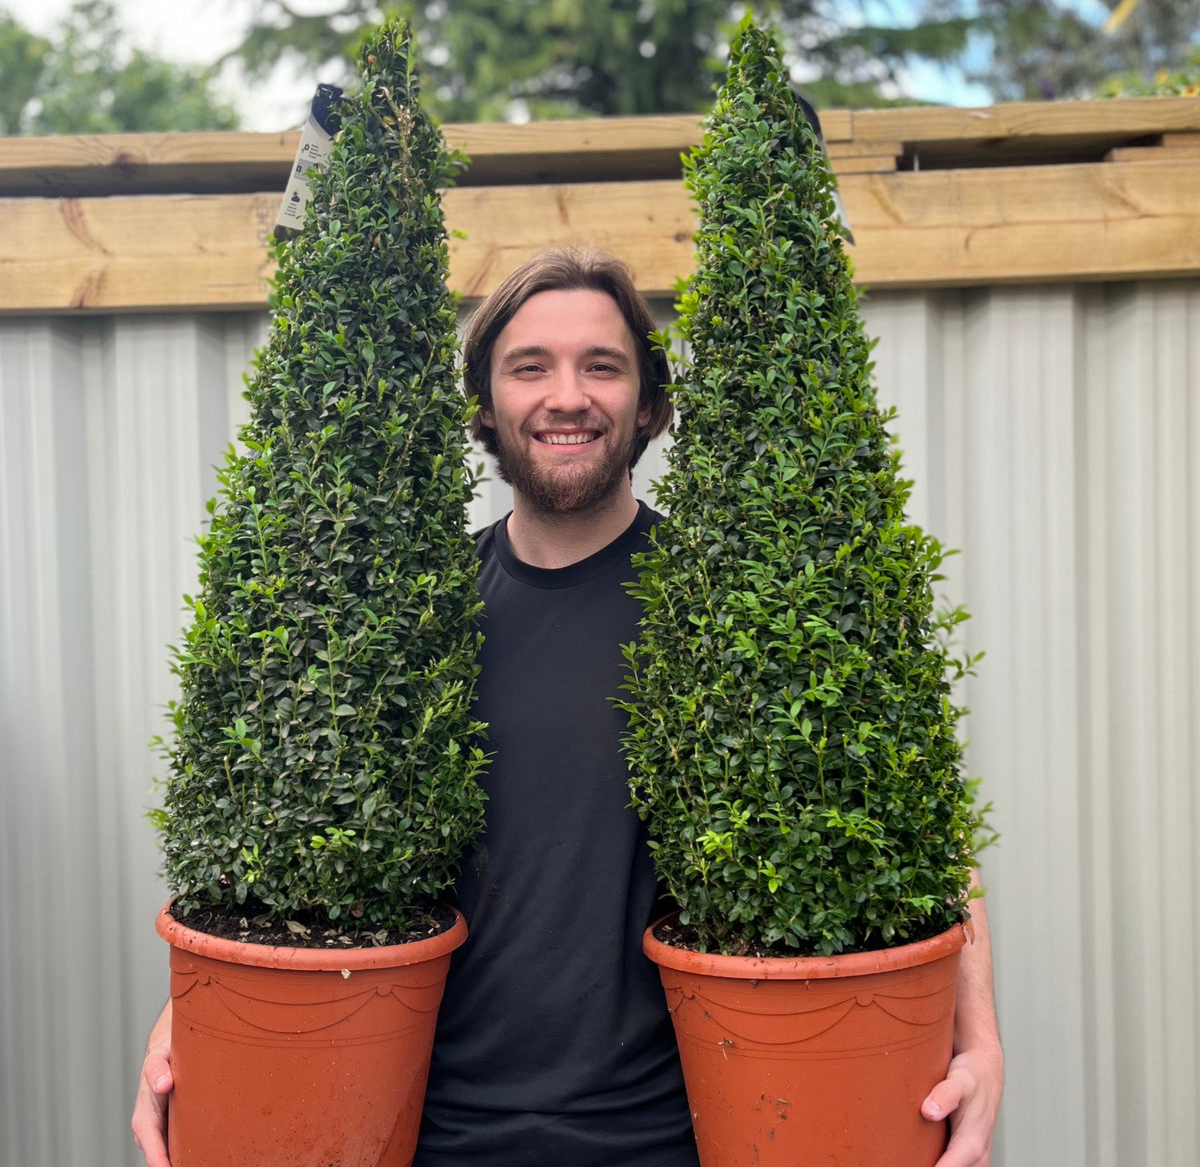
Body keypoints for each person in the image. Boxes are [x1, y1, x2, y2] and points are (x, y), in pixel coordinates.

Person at [133, 247, 1004, 1167]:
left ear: (650, 404)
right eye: (529, 366)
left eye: (602, 365)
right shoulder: (409, 622)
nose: (567, 396)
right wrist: (183, 1024)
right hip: (428, 1136)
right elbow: (285, 871)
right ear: (484, 406)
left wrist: (978, 1038)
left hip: (673, 1138)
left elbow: (913, 837)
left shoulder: (730, 609)